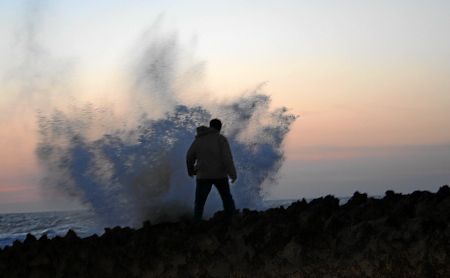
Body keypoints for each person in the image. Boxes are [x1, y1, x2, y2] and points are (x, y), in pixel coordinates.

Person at [186, 119, 237, 222]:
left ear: (210, 126)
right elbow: (227, 158)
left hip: (203, 175)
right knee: (227, 199)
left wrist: (190, 170)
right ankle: (232, 220)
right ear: (219, 128)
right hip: (220, 175)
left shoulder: (199, 140)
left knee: (199, 203)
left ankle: (197, 224)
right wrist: (232, 174)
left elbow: (189, 157)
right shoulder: (221, 139)